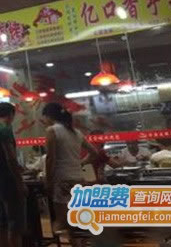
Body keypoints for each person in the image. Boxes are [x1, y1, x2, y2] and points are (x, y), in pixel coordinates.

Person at [43, 103, 98, 244]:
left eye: (44, 118)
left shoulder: (52, 130)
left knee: (62, 221)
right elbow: (94, 152)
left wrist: (48, 180)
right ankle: (79, 243)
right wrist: (80, 163)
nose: (44, 121)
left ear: (49, 116)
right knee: (75, 219)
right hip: (78, 179)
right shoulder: (76, 132)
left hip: (62, 181)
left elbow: (50, 158)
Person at [0, 102, 27, 247]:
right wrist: (20, 182)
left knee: (2, 222)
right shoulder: (5, 129)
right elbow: (11, 158)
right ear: (11, 114)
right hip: (8, 179)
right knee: (15, 224)